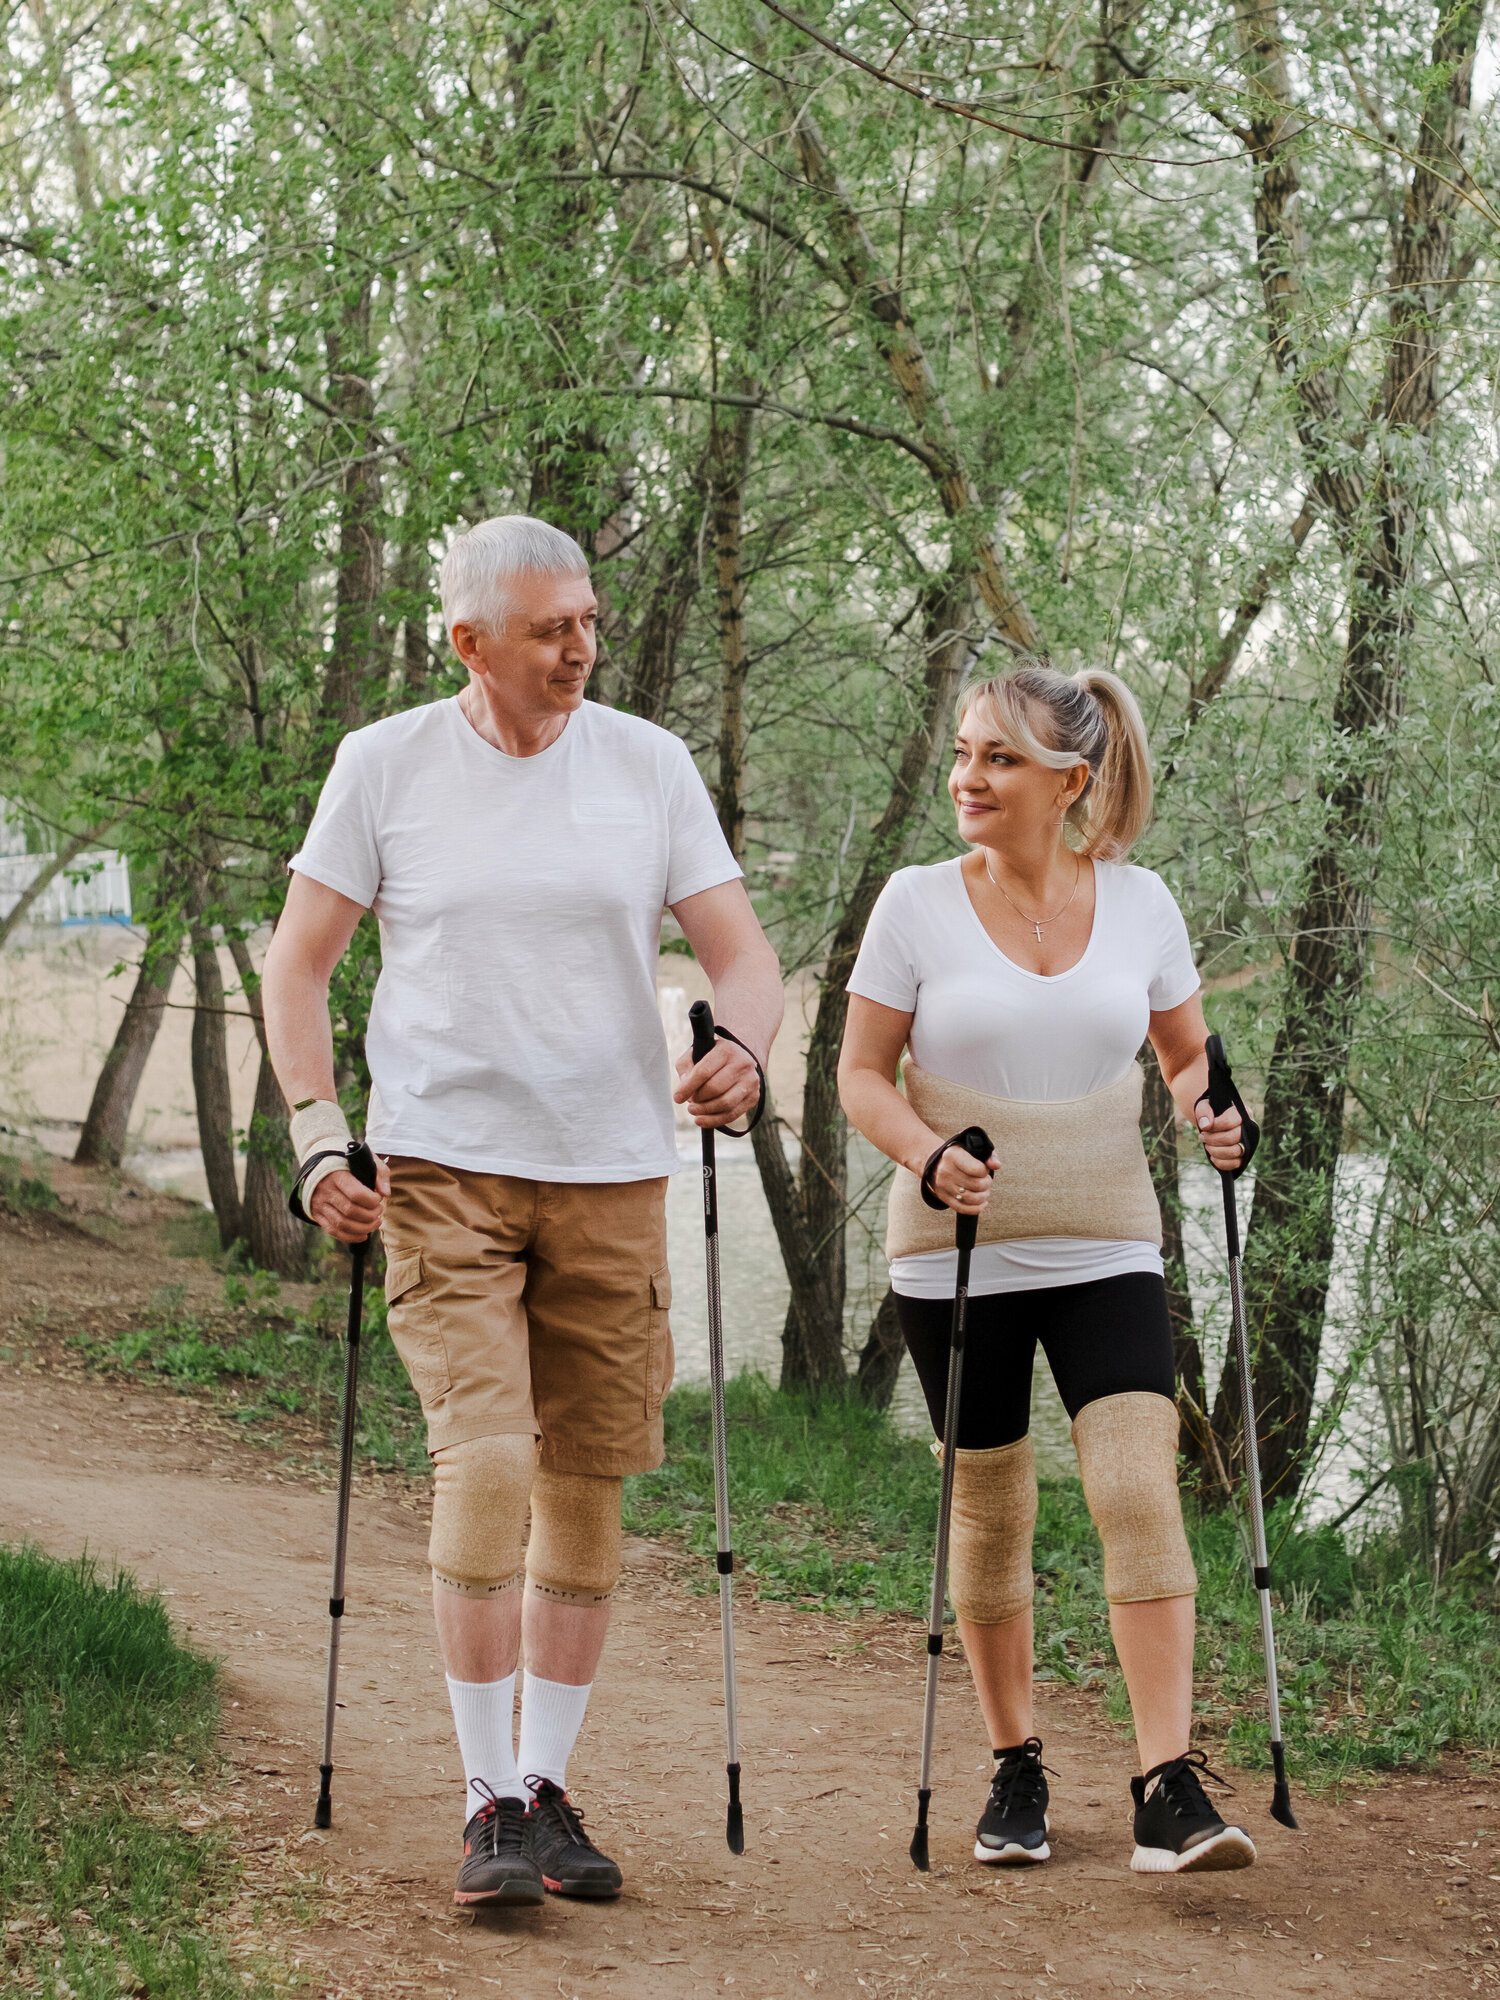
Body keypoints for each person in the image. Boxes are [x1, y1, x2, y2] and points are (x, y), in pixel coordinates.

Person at [262, 515, 783, 1908]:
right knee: (488, 1464)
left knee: (585, 1489)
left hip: (614, 1169)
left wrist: (741, 1046)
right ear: (468, 641)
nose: (582, 648)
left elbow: (742, 955)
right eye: (553, 628)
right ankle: (485, 1797)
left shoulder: (648, 766)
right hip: (443, 1169)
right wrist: (320, 1142)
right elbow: (299, 965)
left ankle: (548, 1788)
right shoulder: (385, 766)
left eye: (591, 621)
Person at [838, 661, 1253, 1877]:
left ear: (1072, 779)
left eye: (999, 758)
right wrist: (925, 1154)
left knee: (1137, 1486)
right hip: (954, 1251)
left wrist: (1213, 1109)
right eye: (966, 752)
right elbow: (863, 1075)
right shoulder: (914, 902)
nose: (968, 776)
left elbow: (1186, 1056)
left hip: (1107, 1241)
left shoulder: (1141, 904)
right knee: (991, 1504)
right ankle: (1015, 1761)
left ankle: (1165, 1782)